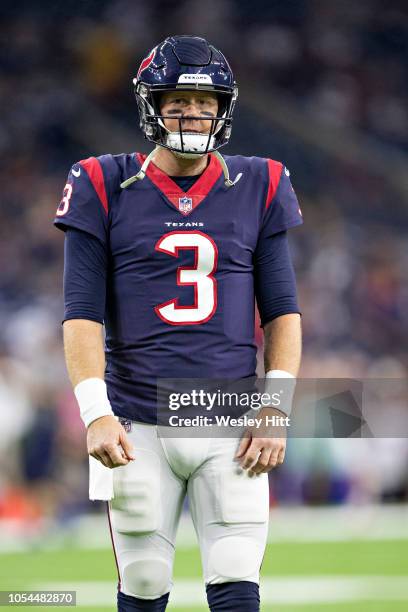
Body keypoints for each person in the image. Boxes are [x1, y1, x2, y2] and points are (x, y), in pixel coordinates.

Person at [54, 35, 302, 612]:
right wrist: (96, 414)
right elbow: (81, 314)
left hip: (229, 420)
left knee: (238, 585)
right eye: (176, 101)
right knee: (141, 585)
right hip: (139, 422)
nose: (192, 112)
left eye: (205, 100)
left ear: (224, 107)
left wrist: (276, 407)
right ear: (151, 105)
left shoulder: (259, 182)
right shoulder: (101, 182)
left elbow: (283, 312)